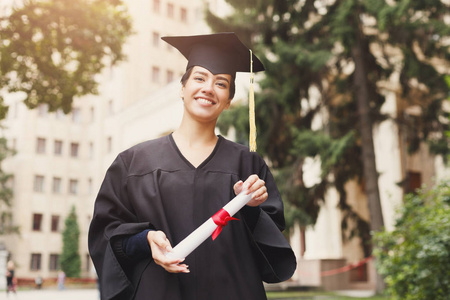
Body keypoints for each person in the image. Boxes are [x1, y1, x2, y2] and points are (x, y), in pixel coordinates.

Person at [88, 32, 296, 300]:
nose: (208, 88)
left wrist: (253, 210)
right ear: (182, 87)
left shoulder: (247, 164)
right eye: (199, 78)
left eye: (221, 83)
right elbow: (107, 236)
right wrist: (145, 240)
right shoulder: (133, 163)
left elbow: (270, 251)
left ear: (229, 99)